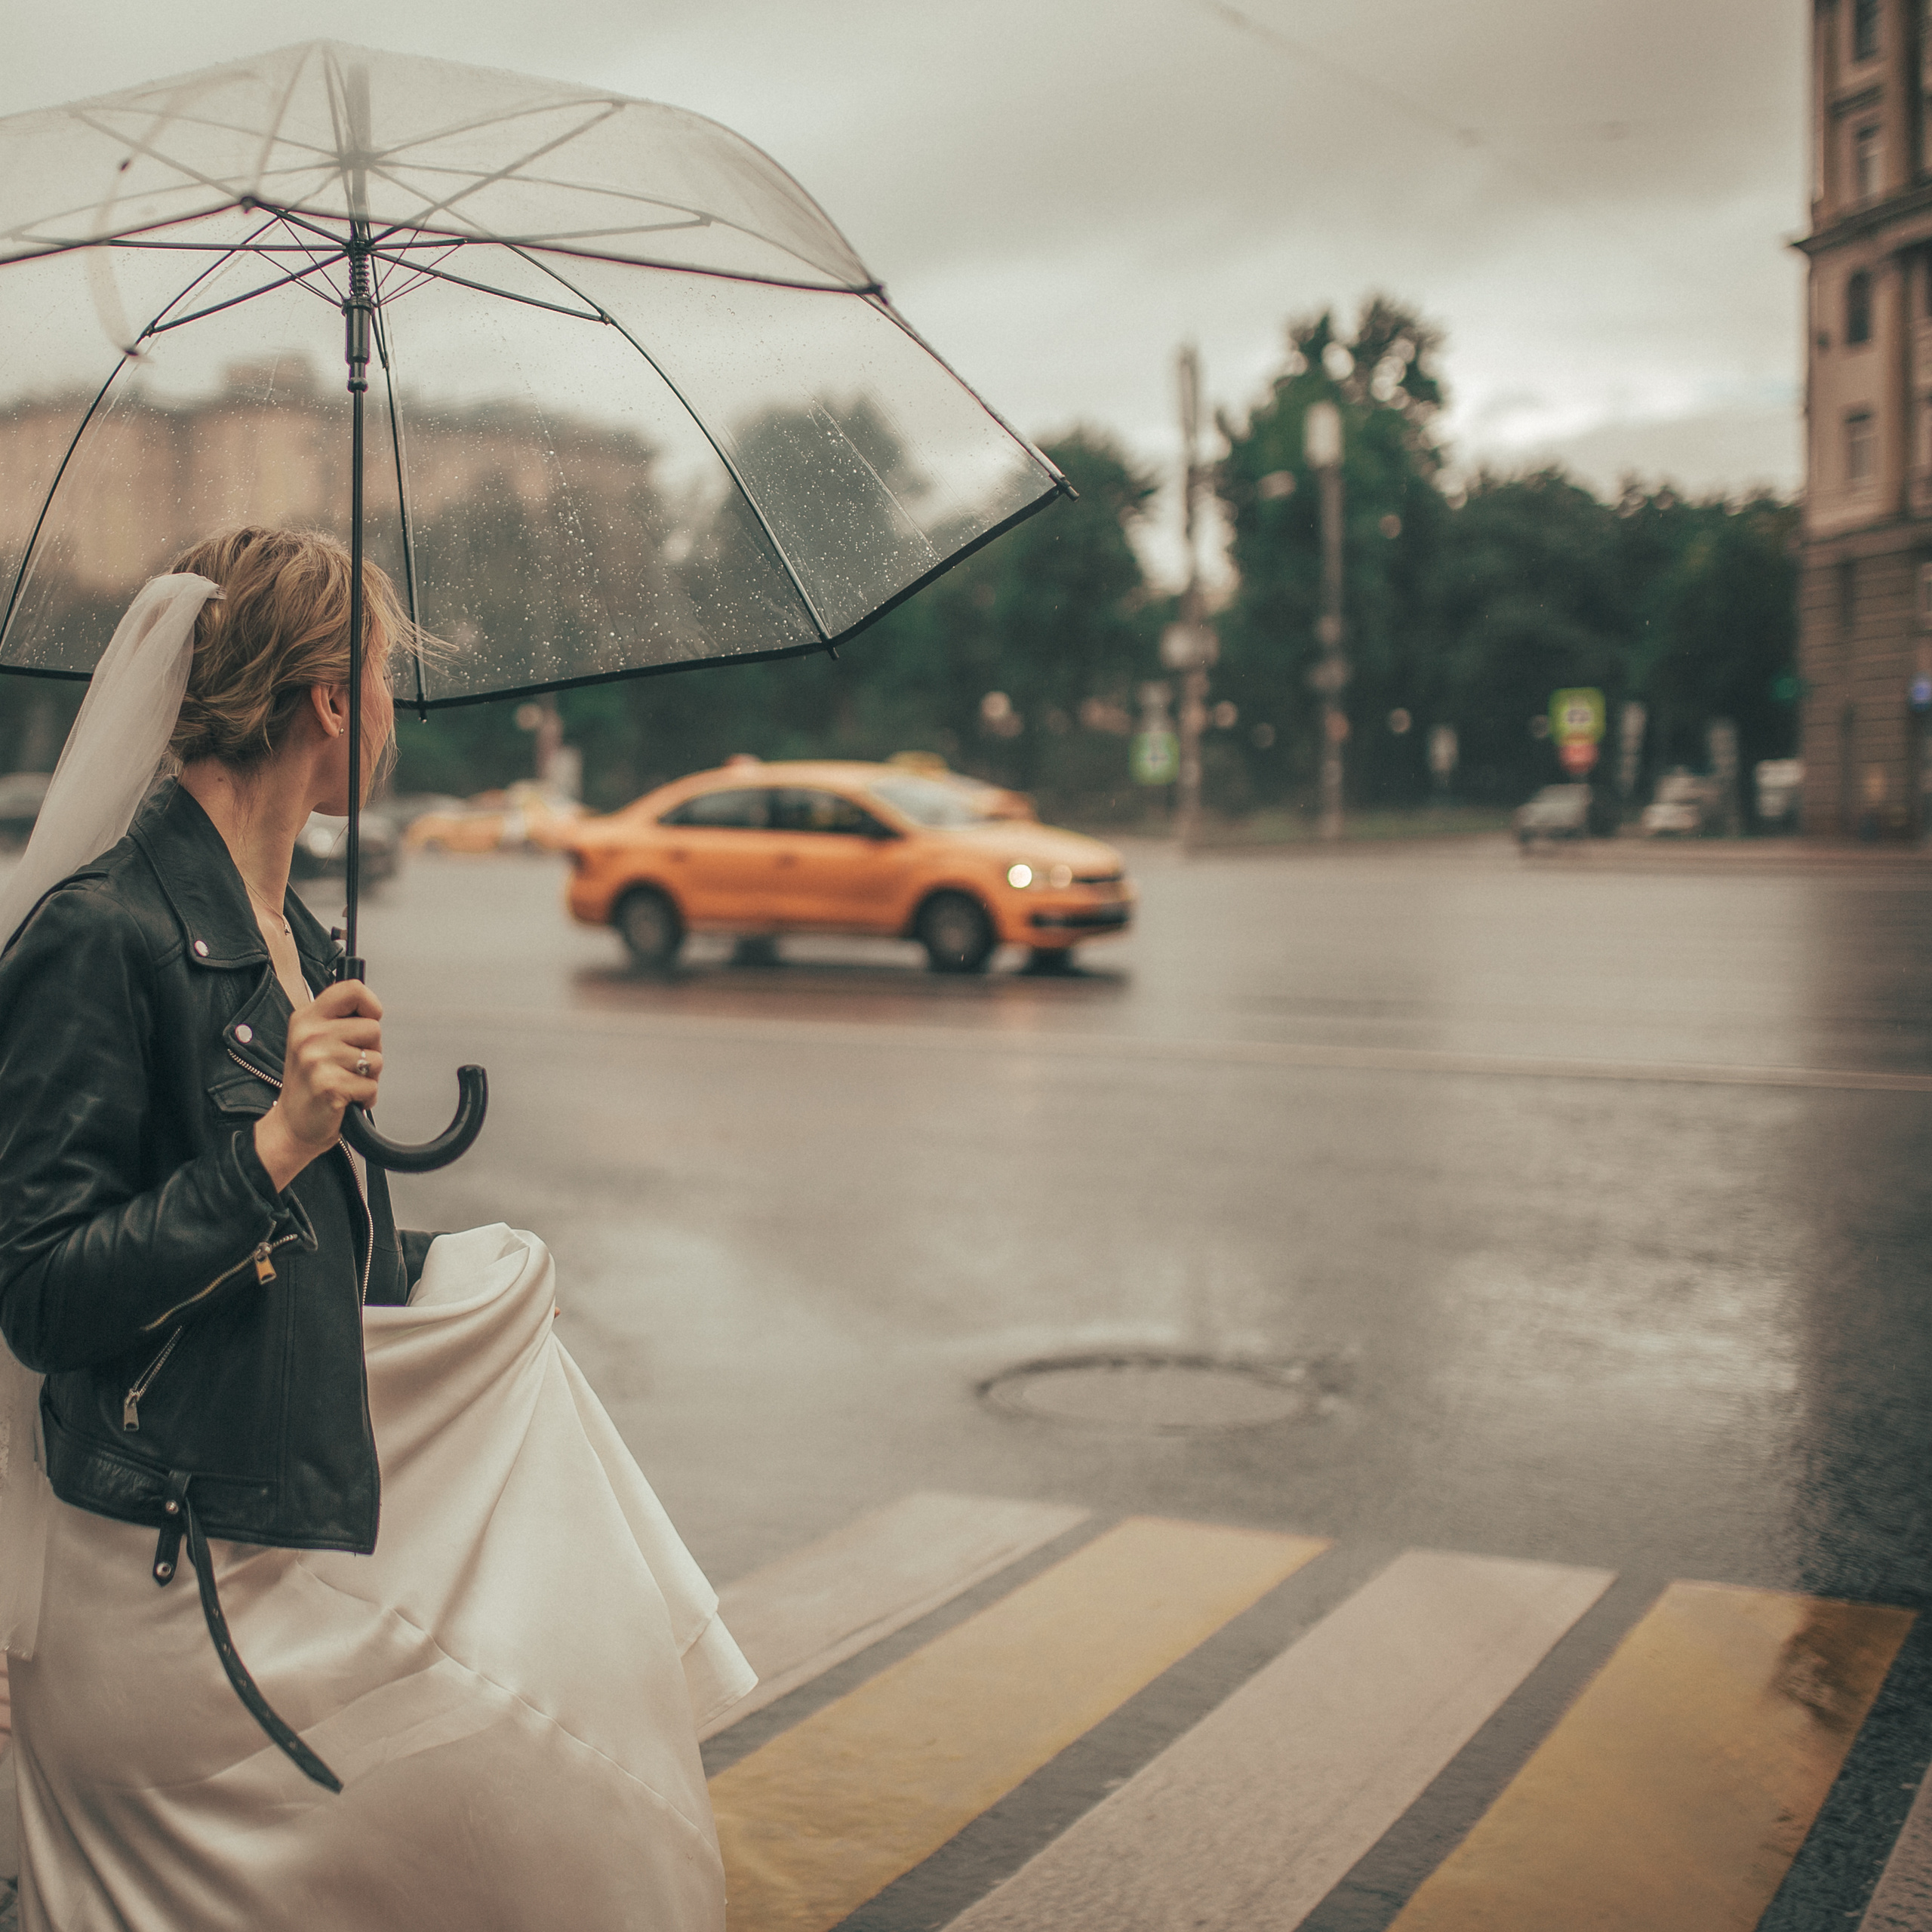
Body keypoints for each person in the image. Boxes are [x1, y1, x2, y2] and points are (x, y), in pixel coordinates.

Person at [0, 528, 751, 1930]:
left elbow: (304, 1269)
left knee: (565, 1726)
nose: (397, 712)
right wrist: (277, 1141)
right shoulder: (101, 934)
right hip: (177, 1575)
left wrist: (442, 1293)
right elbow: (42, 1295)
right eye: (387, 678)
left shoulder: (299, 935)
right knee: (545, 1793)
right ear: (331, 701)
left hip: (272, 1521)